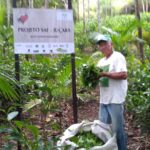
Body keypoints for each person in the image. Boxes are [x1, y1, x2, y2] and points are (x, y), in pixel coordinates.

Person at [96, 34, 128, 150]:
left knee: (117, 130)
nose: (102, 47)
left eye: (104, 44)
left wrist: (105, 74)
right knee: (103, 128)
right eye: (100, 45)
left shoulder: (117, 57)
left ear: (111, 44)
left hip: (115, 99)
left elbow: (124, 74)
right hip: (104, 99)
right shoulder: (100, 62)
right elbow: (100, 79)